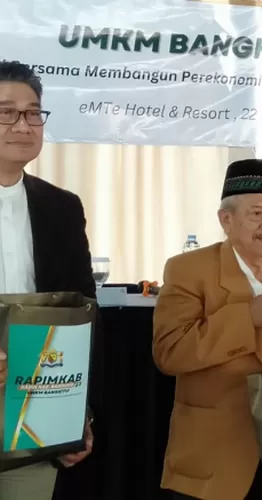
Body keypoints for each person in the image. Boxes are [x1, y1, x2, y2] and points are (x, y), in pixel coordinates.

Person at [152, 159, 262, 500]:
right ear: (226, 219)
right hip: (218, 456)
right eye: (257, 214)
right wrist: (246, 318)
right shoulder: (189, 270)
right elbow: (170, 354)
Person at [0, 60, 96, 499]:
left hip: (35, 410)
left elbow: (82, 312)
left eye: (33, 113)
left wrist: (78, 411)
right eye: (7, 112)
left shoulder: (61, 207)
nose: (23, 125)